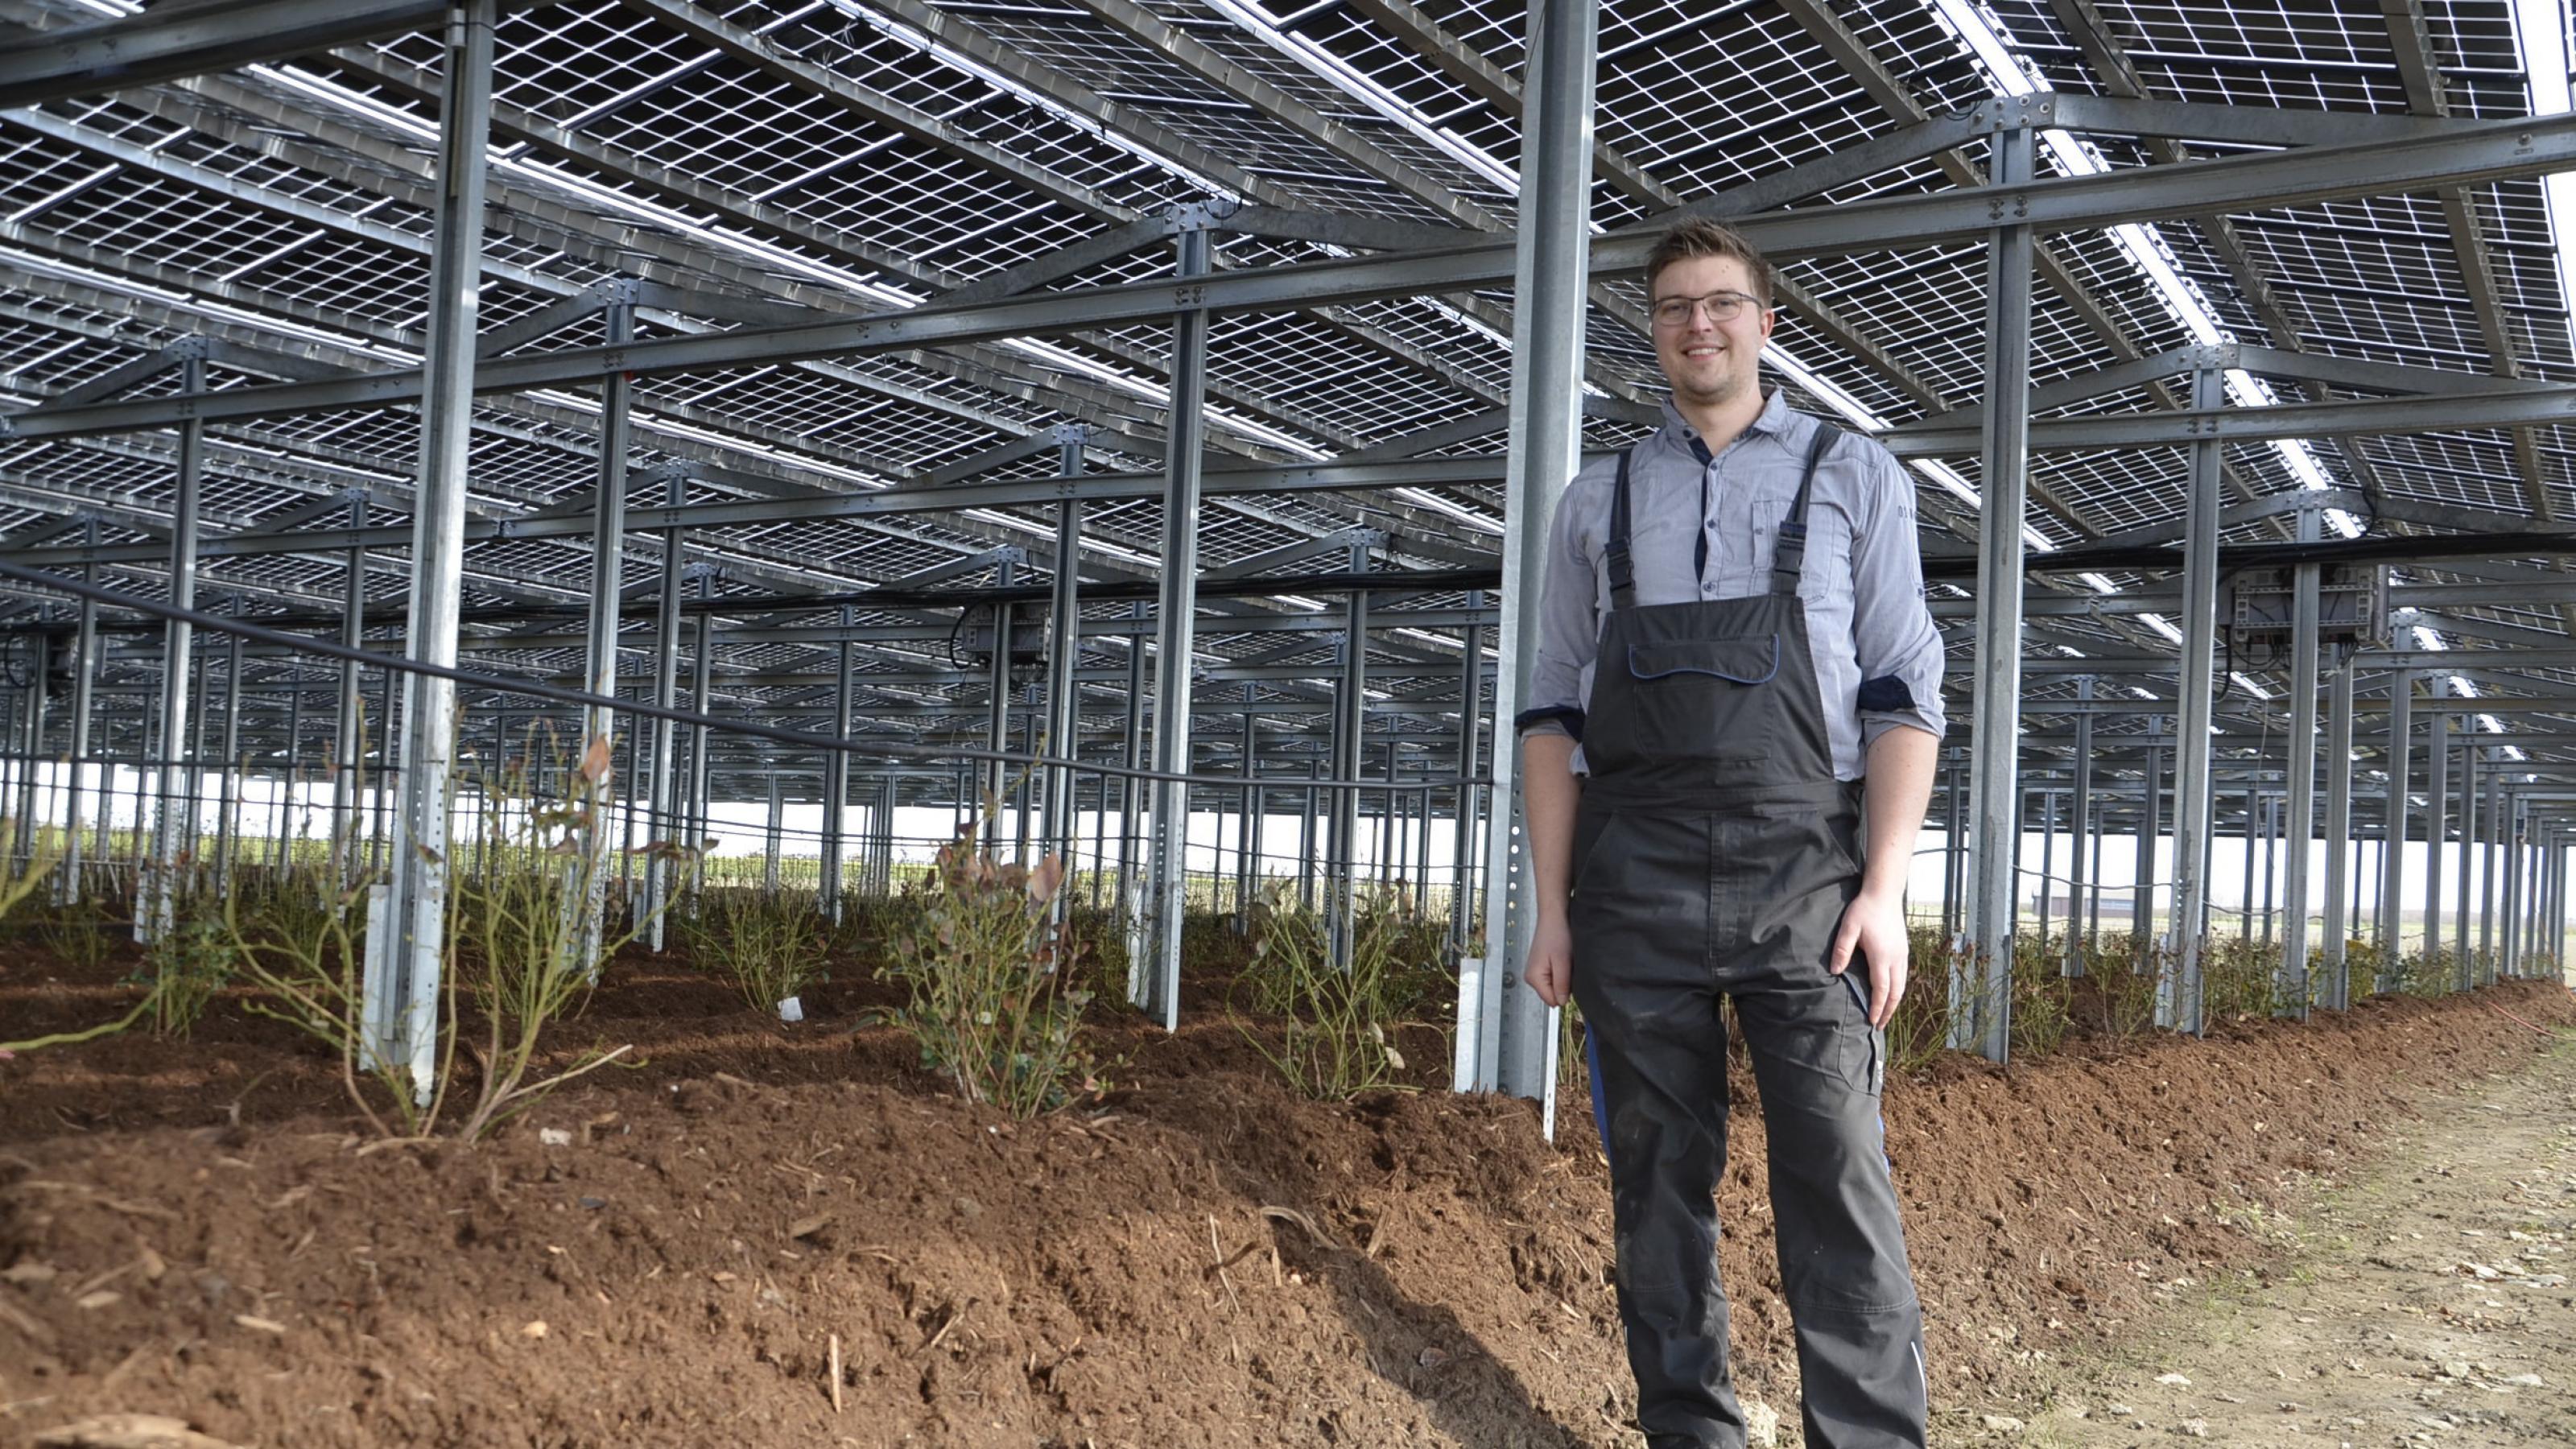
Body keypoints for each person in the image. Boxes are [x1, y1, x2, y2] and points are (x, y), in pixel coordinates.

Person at [1516, 217, 1945, 1449]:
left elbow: (1904, 691)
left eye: (1720, 303)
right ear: (1652, 331)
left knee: (1837, 1174)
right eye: (1671, 308)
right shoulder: (1596, 502)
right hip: (1631, 876)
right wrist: (1553, 908)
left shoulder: (1852, 474)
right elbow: (1552, 710)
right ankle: (1690, 1429)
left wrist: (1886, 890)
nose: (1697, 325)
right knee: (1656, 1181)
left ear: (1766, 321)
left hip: (1806, 871)